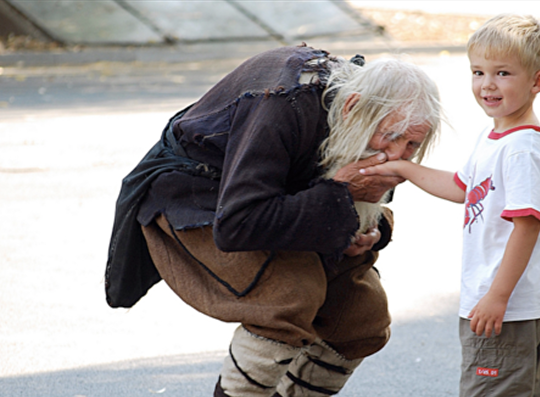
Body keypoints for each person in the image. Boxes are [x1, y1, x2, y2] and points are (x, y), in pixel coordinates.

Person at [104, 43, 442, 397]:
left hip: (286, 205)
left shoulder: (371, 120)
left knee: (362, 319)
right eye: (391, 138)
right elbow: (239, 223)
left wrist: (372, 227)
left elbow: (359, 195)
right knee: (288, 296)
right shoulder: (281, 101)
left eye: (412, 145)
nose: (396, 156)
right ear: (353, 107)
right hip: (202, 199)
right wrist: (339, 199)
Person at [361, 14, 540, 396]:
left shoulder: (520, 150)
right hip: (517, 303)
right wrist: (404, 167)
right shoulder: (497, 136)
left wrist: (496, 297)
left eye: (503, 73)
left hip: (505, 306)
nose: (487, 84)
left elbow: (526, 226)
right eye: (478, 72)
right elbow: (461, 187)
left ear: (537, 81)